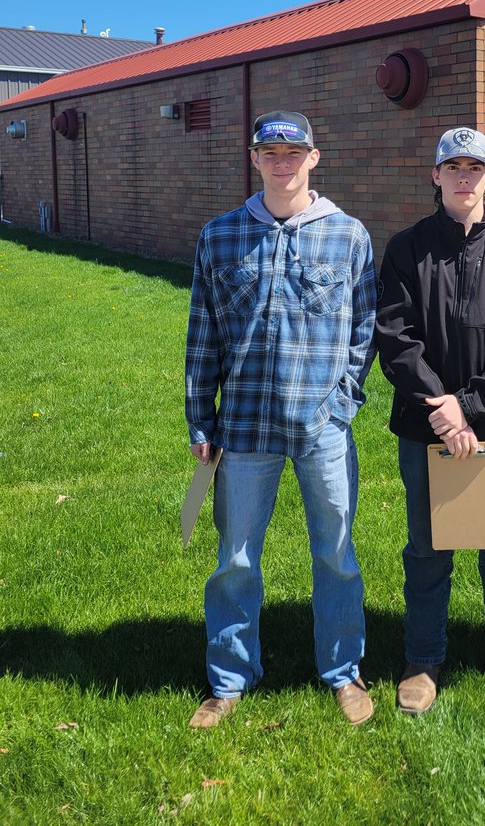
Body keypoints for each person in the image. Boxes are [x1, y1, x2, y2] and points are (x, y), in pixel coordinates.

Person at [185, 111, 377, 728]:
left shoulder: (348, 236)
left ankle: (344, 671)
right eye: (271, 151)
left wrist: (343, 402)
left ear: (314, 158)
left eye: (293, 152)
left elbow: (364, 328)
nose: (282, 161)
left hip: (321, 428)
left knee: (337, 552)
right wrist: (201, 418)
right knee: (235, 559)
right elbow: (203, 333)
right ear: (254, 157)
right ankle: (230, 678)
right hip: (242, 428)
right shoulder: (220, 236)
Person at [376, 128, 485, 722]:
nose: (464, 177)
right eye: (453, 166)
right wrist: (440, 406)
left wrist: (470, 408)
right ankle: (423, 659)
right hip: (426, 428)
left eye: (475, 167)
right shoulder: (406, 250)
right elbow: (395, 340)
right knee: (428, 548)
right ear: (436, 176)